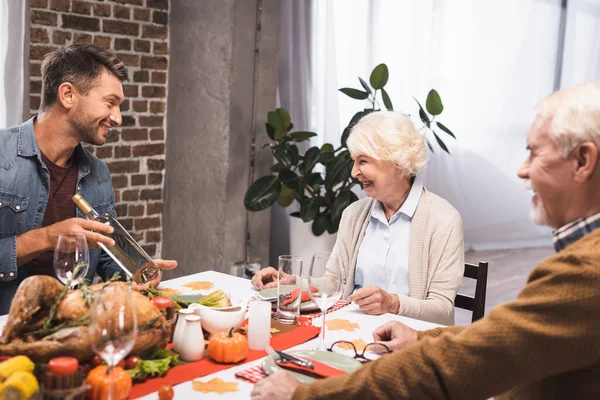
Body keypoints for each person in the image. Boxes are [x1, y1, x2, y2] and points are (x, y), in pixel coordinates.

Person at [250, 82, 600, 400]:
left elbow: (463, 358)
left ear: (583, 160)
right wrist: (295, 284)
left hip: (381, 359)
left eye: (534, 153)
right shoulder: (355, 214)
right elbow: (485, 344)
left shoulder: (584, 270)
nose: (522, 170)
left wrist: (309, 396)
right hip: (358, 342)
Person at [0, 44, 177, 315]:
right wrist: (47, 238)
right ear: (68, 94)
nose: (117, 118)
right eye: (110, 103)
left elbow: (107, 259)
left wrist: (135, 274)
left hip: (75, 327)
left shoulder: (98, 173)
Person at [252, 111, 464, 325]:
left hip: (408, 344)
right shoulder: (353, 214)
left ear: (397, 162)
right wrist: (292, 283)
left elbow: (442, 310)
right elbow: (333, 284)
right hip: (351, 331)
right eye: (354, 161)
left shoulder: (443, 219)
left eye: (363, 161)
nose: (354, 172)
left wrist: (392, 304)